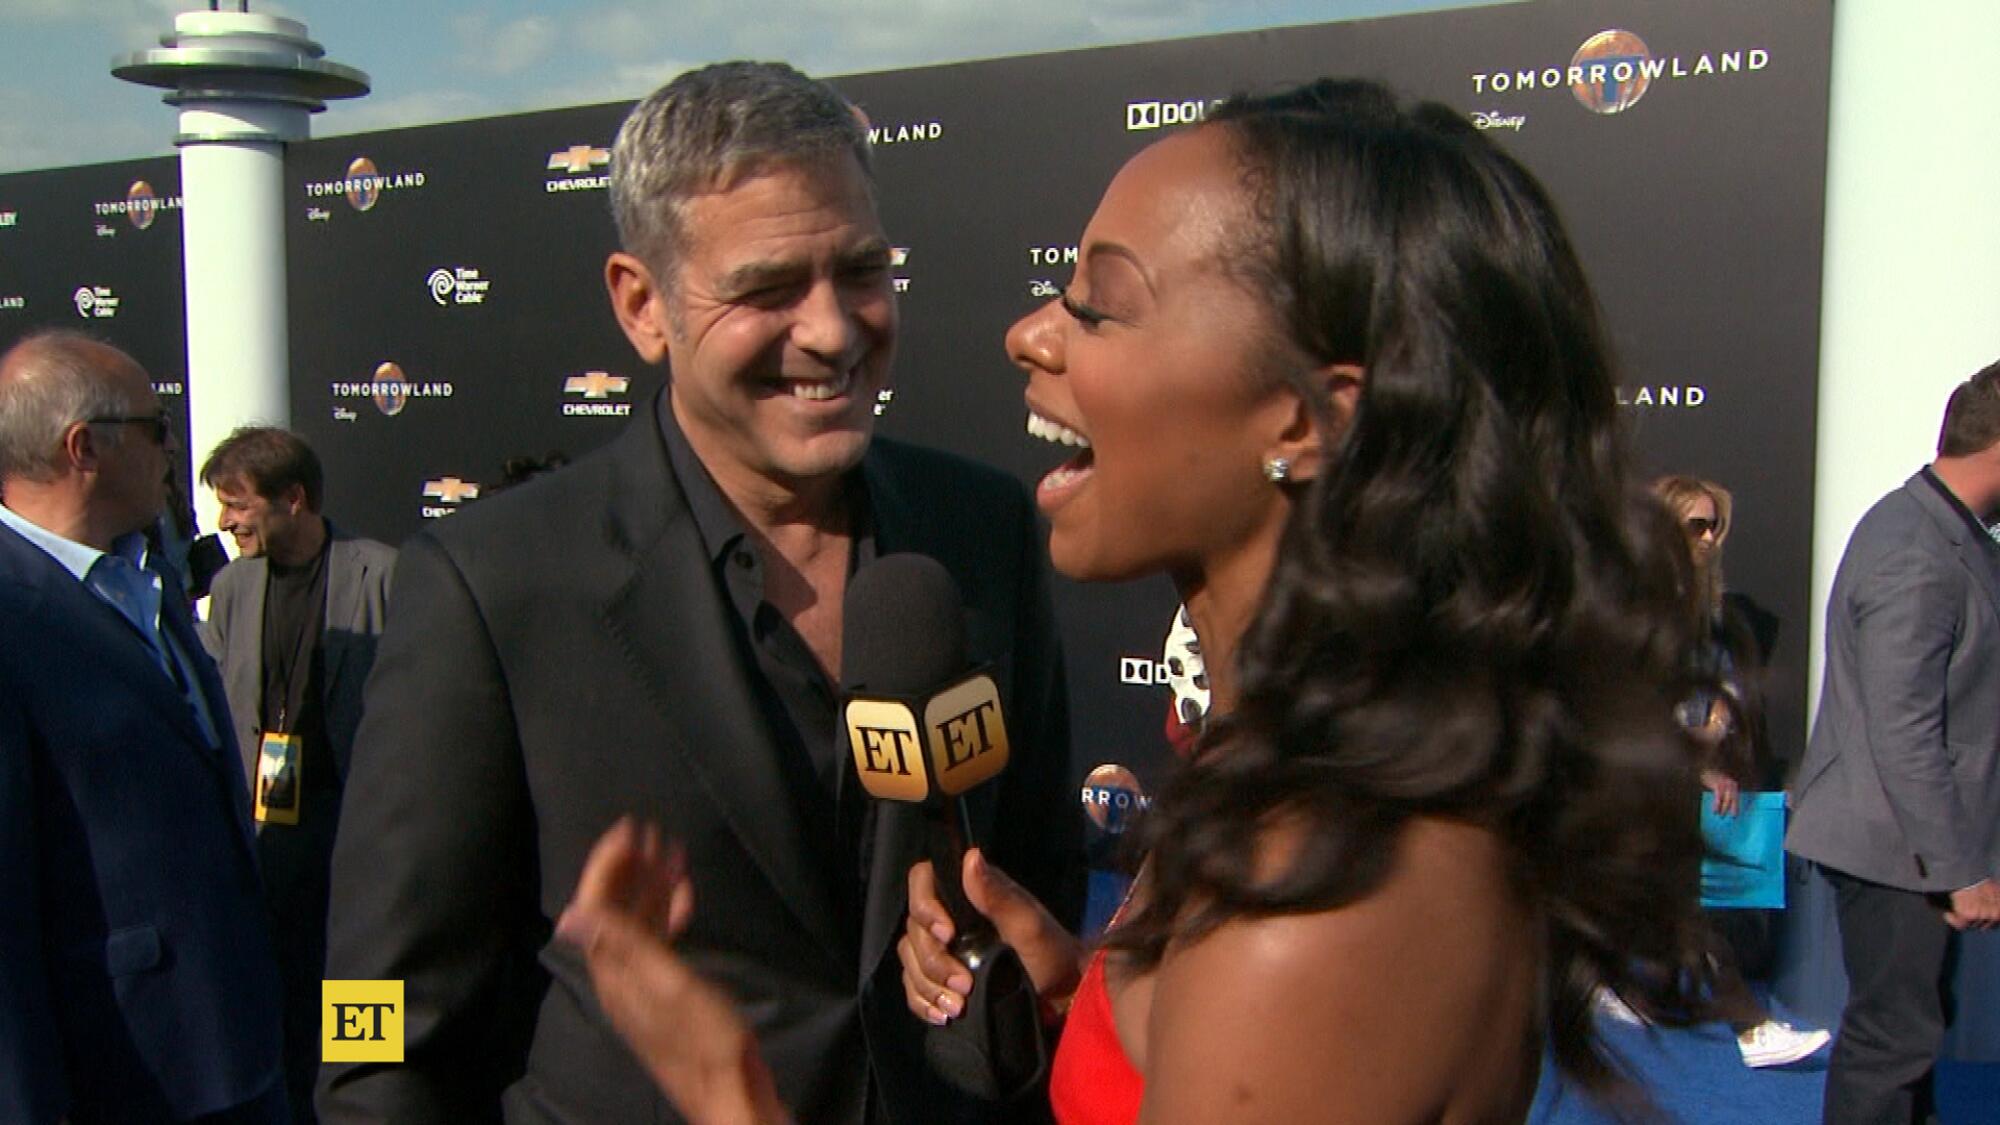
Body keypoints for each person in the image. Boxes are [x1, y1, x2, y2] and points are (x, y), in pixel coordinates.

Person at [557, 78, 1724, 1124]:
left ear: (1307, 417)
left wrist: (724, 1092)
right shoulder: (1284, 787)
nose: (1028, 334)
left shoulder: (1312, 895)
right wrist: (1096, 1021)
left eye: (1096, 307)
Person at [316, 61, 1080, 1125]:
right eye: (768, 289)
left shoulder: (980, 529)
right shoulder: (491, 584)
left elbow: (1042, 880)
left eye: (860, 270)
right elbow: (377, 1016)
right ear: (643, 305)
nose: (831, 330)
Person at [0, 329, 286, 1123]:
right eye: (156, 427)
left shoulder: (144, 577)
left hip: (240, 1045)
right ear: (82, 447)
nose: (173, 449)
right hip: (126, 1076)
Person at [1788, 359, 2000, 1125]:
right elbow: (1903, 729)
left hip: (1905, 842)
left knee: (1909, 1034)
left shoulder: (1948, 534)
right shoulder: (1915, 548)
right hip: (1894, 847)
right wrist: (1959, 869)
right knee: (1893, 1039)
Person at [198, 425, 396, 1124]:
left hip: (358, 843)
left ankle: (364, 1108)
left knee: (361, 1010)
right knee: (282, 1010)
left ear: (294, 499)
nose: (224, 522)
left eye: (237, 504)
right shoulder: (230, 587)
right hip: (267, 840)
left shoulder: (383, 572)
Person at [1648, 474, 1830, 1069]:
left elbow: (1714, 690)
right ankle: (1751, 1028)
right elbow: (1632, 698)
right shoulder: (1642, 605)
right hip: (1651, 777)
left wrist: (1720, 724)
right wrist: (1694, 756)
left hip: (1690, 775)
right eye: (1695, 525)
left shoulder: (1709, 609)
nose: (1708, 539)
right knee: (1687, 911)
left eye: (1714, 526)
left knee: (1686, 907)